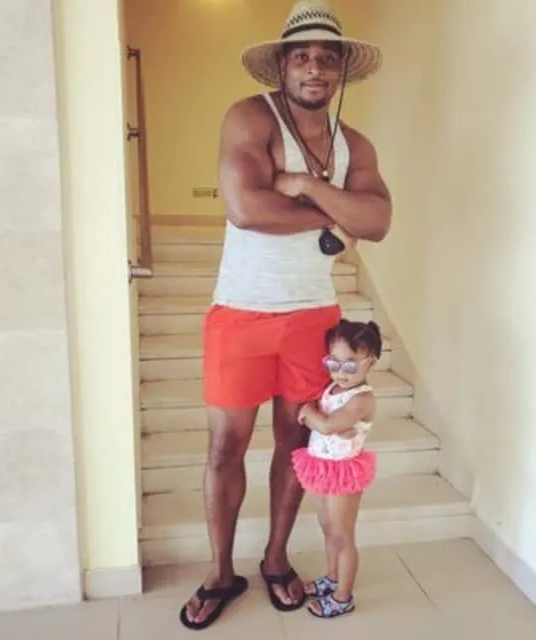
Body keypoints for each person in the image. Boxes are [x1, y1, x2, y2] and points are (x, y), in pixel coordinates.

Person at [180, 0, 392, 630]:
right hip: (240, 313)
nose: (314, 67)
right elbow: (247, 208)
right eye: (302, 56)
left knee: (297, 440)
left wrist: (306, 187)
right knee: (226, 446)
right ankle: (220, 573)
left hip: (312, 320)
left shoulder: (355, 145)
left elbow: (378, 220)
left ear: (342, 70)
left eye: (327, 57)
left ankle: (275, 559)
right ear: (282, 66)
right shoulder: (250, 117)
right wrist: (338, 213)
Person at [293, 319, 382, 619]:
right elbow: (331, 423)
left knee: (343, 536)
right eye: (333, 362)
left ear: (371, 362)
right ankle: (332, 577)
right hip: (323, 467)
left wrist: (308, 414)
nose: (340, 372)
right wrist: (324, 422)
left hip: (343, 473)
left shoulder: (362, 399)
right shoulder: (333, 387)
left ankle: (343, 597)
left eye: (351, 364)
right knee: (328, 528)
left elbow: (328, 425)